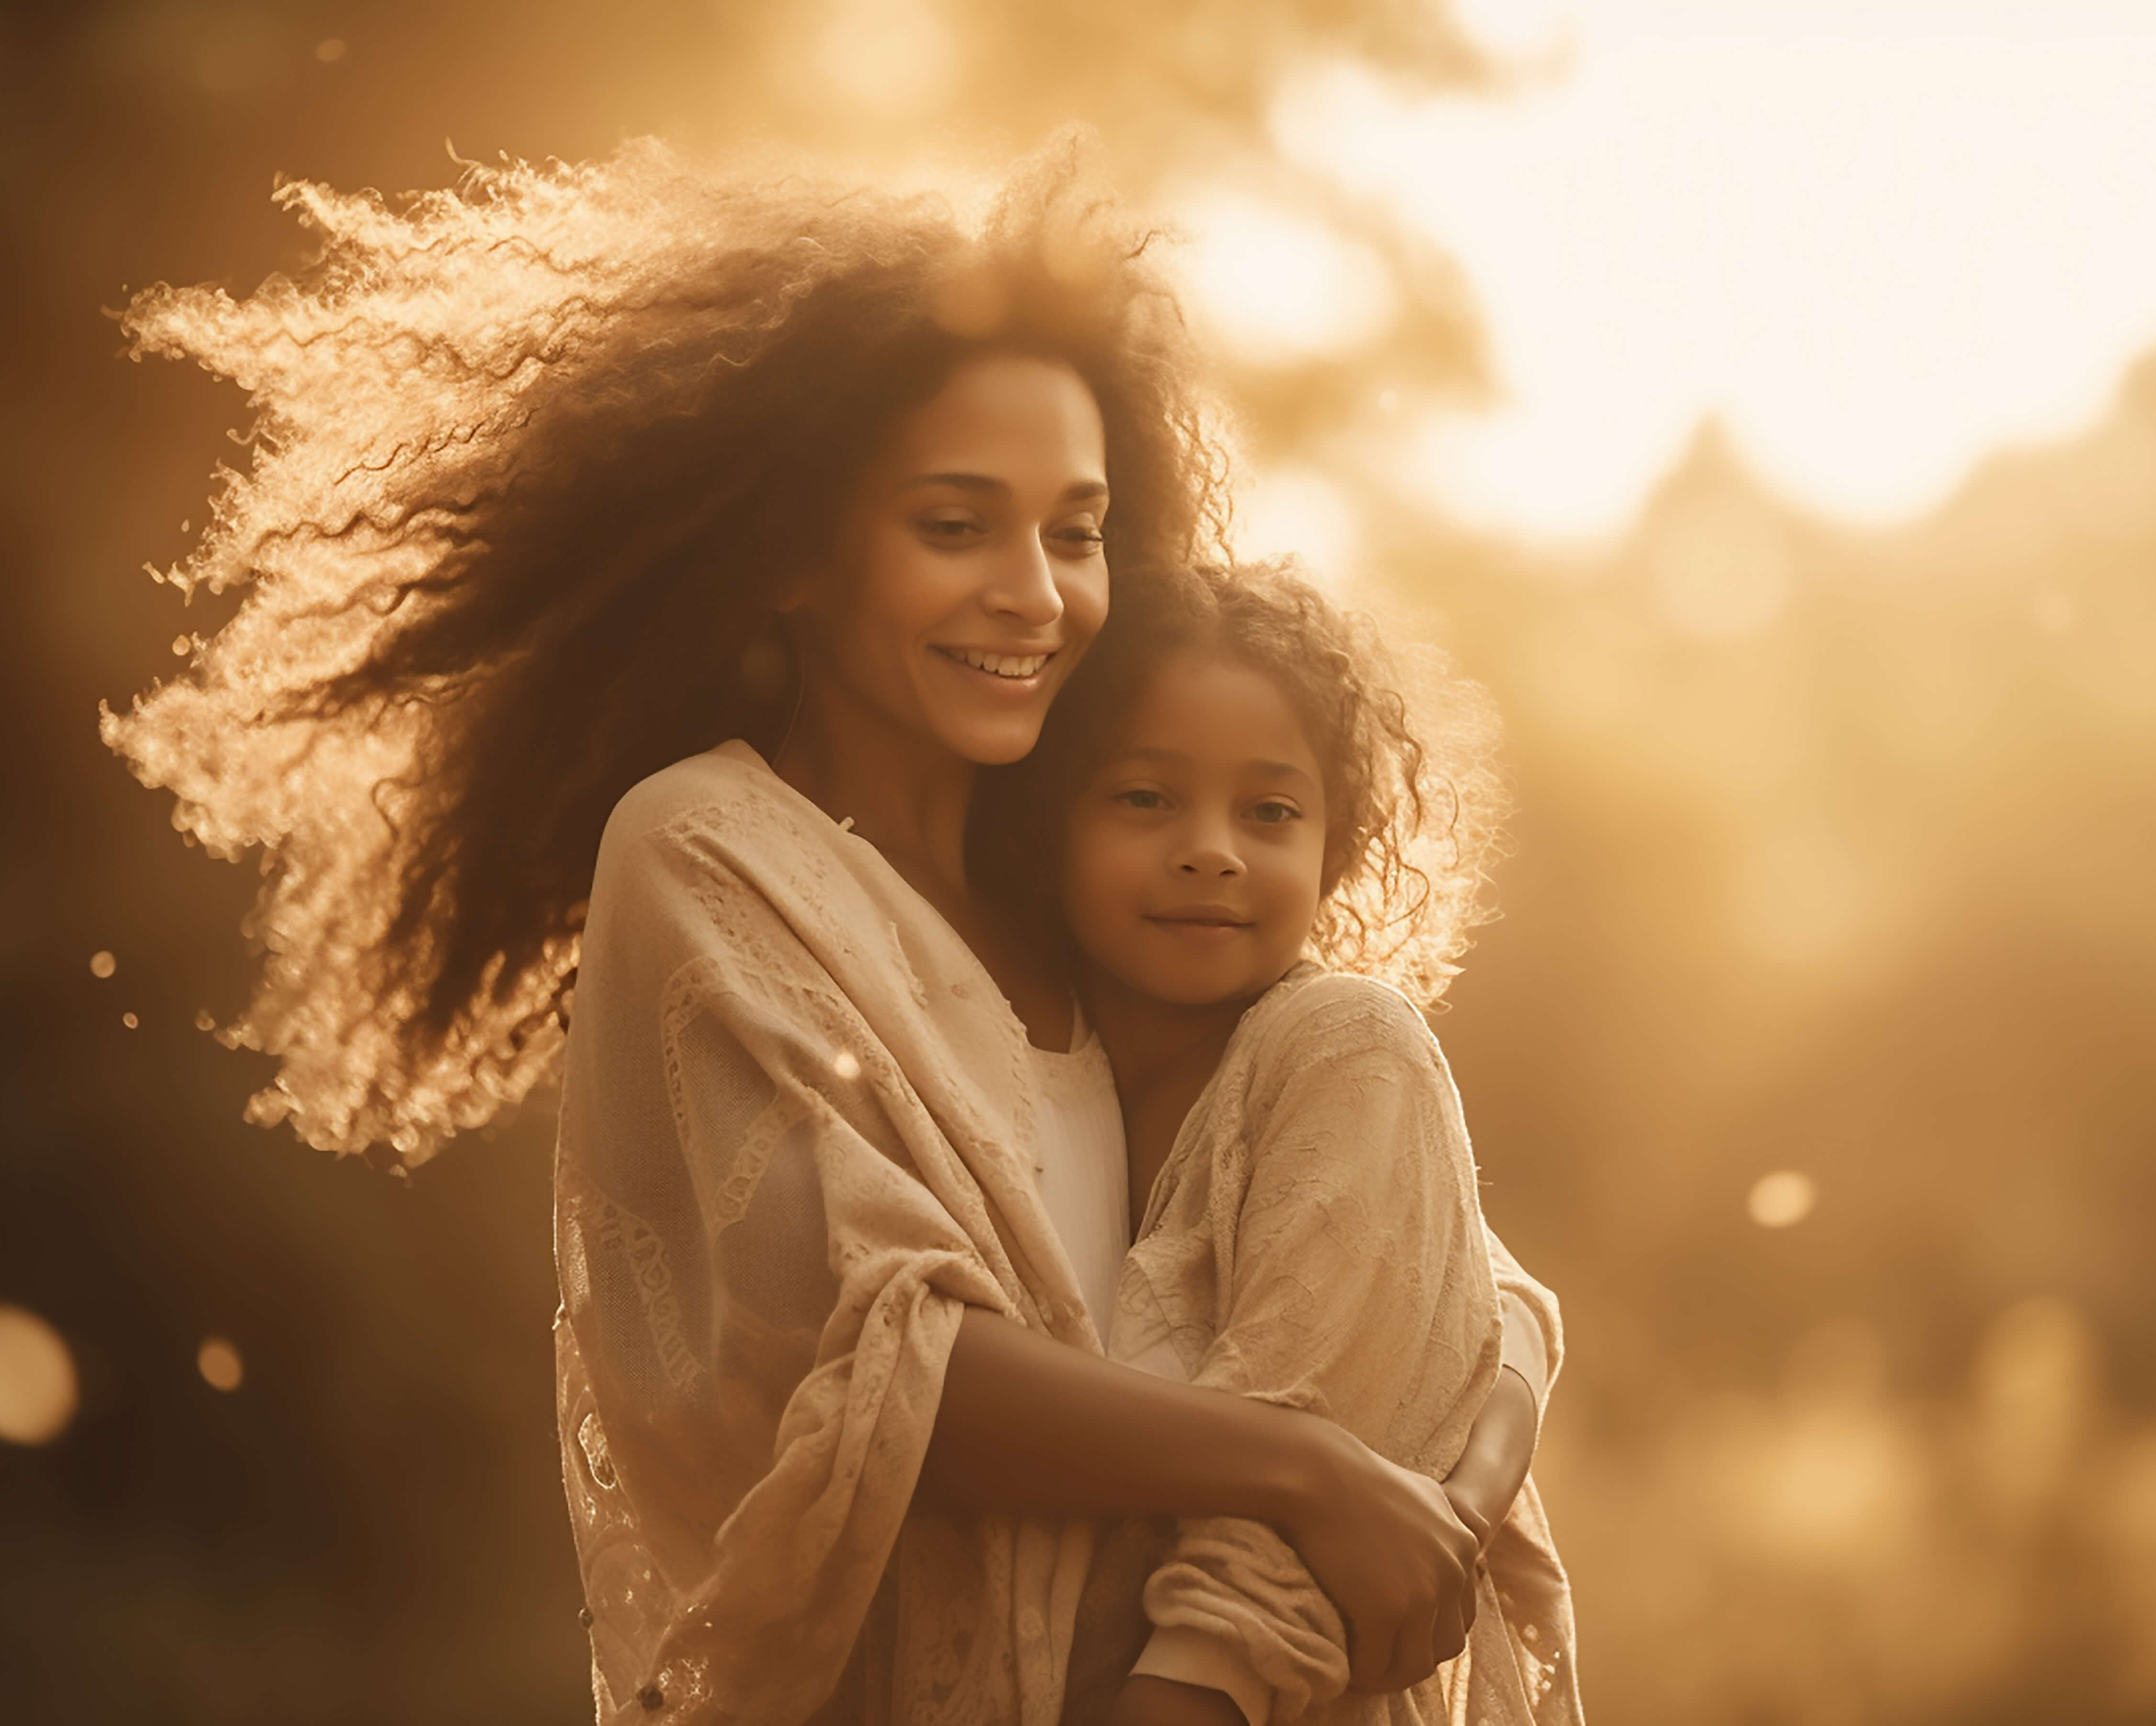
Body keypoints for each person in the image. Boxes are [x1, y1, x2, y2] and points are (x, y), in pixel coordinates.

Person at [105, 140, 1553, 1722]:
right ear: (797, 554)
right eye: (955, 526)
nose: (1034, 592)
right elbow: (874, 1382)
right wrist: (1305, 1472)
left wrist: (1436, 1500)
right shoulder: (709, 855)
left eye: (1073, 531)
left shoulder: (1088, 897)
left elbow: (1441, 1295)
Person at [982, 561, 1578, 1726]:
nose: (1214, 851)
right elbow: (1508, 1302)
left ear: (1336, 847)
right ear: (1050, 823)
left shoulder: (1344, 1048)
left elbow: (1292, 1480)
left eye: (1269, 812)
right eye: (1146, 798)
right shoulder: (1027, 1071)